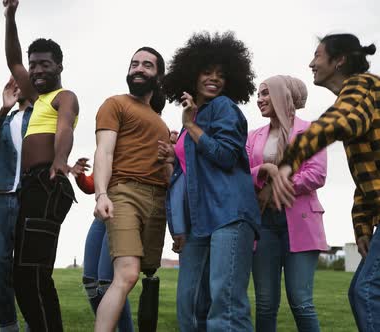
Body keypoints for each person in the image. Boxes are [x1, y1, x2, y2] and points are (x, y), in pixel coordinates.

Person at [270, 33, 379, 331]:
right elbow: (369, 172)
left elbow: (343, 122)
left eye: (317, 56)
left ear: (339, 59)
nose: (311, 63)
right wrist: (362, 225)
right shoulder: (362, 95)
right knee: (362, 292)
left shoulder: (363, 86)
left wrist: (289, 161)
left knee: (366, 292)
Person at [162, 31, 261, 331]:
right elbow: (183, 175)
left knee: (225, 304)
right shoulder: (193, 116)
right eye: (207, 72)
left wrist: (191, 127)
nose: (214, 79)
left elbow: (227, 155)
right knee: (189, 304)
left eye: (221, 74)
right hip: (197, 221)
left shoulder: (224, 108)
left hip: (229, 214)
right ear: (192, 75)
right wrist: (177, 224)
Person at [3, 0, 80, 330]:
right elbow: (13, 61)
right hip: (31, 186)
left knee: (31, 274)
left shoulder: (65, 96)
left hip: (48, 182)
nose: (36, 70)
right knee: (24, 276)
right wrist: (10, 17)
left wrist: (60, 161)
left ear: (59, 66)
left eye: (44, 64)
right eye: (34, 65)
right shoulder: (37, 98)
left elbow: (64, 127)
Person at [93, 46, 170, 332]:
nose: (139, 68)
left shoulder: (161, 122)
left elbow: (169, 172)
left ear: (158, 76)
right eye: (134, 63)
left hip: (158, 200)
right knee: (126, 275)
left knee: (146, 275)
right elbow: (105, 152)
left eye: (147, 65)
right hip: (124, 192)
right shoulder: (115, 104)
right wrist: (101, 193)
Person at [247, 75, 328, 331]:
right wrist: (262, 171)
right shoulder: (252, 136)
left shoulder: (311, 131)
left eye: (265, 93)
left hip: (300, 224)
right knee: (265, 303)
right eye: (258, 94)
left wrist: (275, 189)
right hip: (264, 224)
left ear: (284, 95)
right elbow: (242, 172)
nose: (259, 99)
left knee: (301, 302)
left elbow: (316, 174)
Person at [0, 76, 32, 332]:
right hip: (2, 198)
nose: (17, 85)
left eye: (22, 79)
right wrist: (3, 108)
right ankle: (8, 327)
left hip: (31, 198)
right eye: (13, 81)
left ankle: (36, 322)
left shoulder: (43, 114)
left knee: (29, 268)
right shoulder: (8, 119)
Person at [71, 158, 134, 332]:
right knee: (90, 281)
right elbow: (92, 185)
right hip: (102, 213)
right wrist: (80, 176)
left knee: (108, 283)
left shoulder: (133, 141)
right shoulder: (107, 144)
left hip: (124, 210)